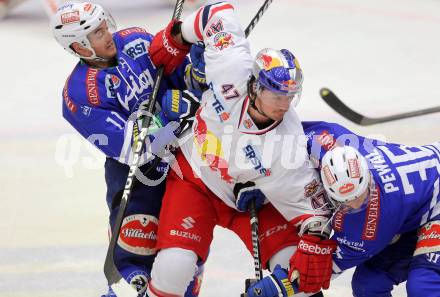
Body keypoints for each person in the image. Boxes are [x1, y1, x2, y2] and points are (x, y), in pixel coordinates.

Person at [144, 2, 337, 296]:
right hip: (195, 179)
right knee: (174, 267)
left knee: (298, 277)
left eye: (290, 96)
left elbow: (314, 210)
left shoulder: (287, 144)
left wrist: (313, 244)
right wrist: (179, 37)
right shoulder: (231, 67)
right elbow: (216, 13)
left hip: (253, 202)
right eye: (277, 95)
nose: (284, 105)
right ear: (256, 86)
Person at [50, 2, 205, 296]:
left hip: (188, 158)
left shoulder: (136, 39)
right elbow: (132, 150)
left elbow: (184, 79)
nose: (107, 34)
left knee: (184, 259)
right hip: (139, 176)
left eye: (104, 26)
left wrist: (196, 75)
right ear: (80, 47)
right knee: (136, 261)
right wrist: (166, 114)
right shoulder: (79, 94)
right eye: (96, 33)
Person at [302, 121, 440, 297]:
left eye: (360, 195)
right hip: (414, 213)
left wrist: (277, 284)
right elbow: (286, 130)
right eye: (344, 202)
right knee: (368, 285)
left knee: (424, 285)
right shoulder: (327, 142)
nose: (355, 205)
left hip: (430, 206)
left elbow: (319, 270)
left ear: (368, 177)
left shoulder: (373, 224)